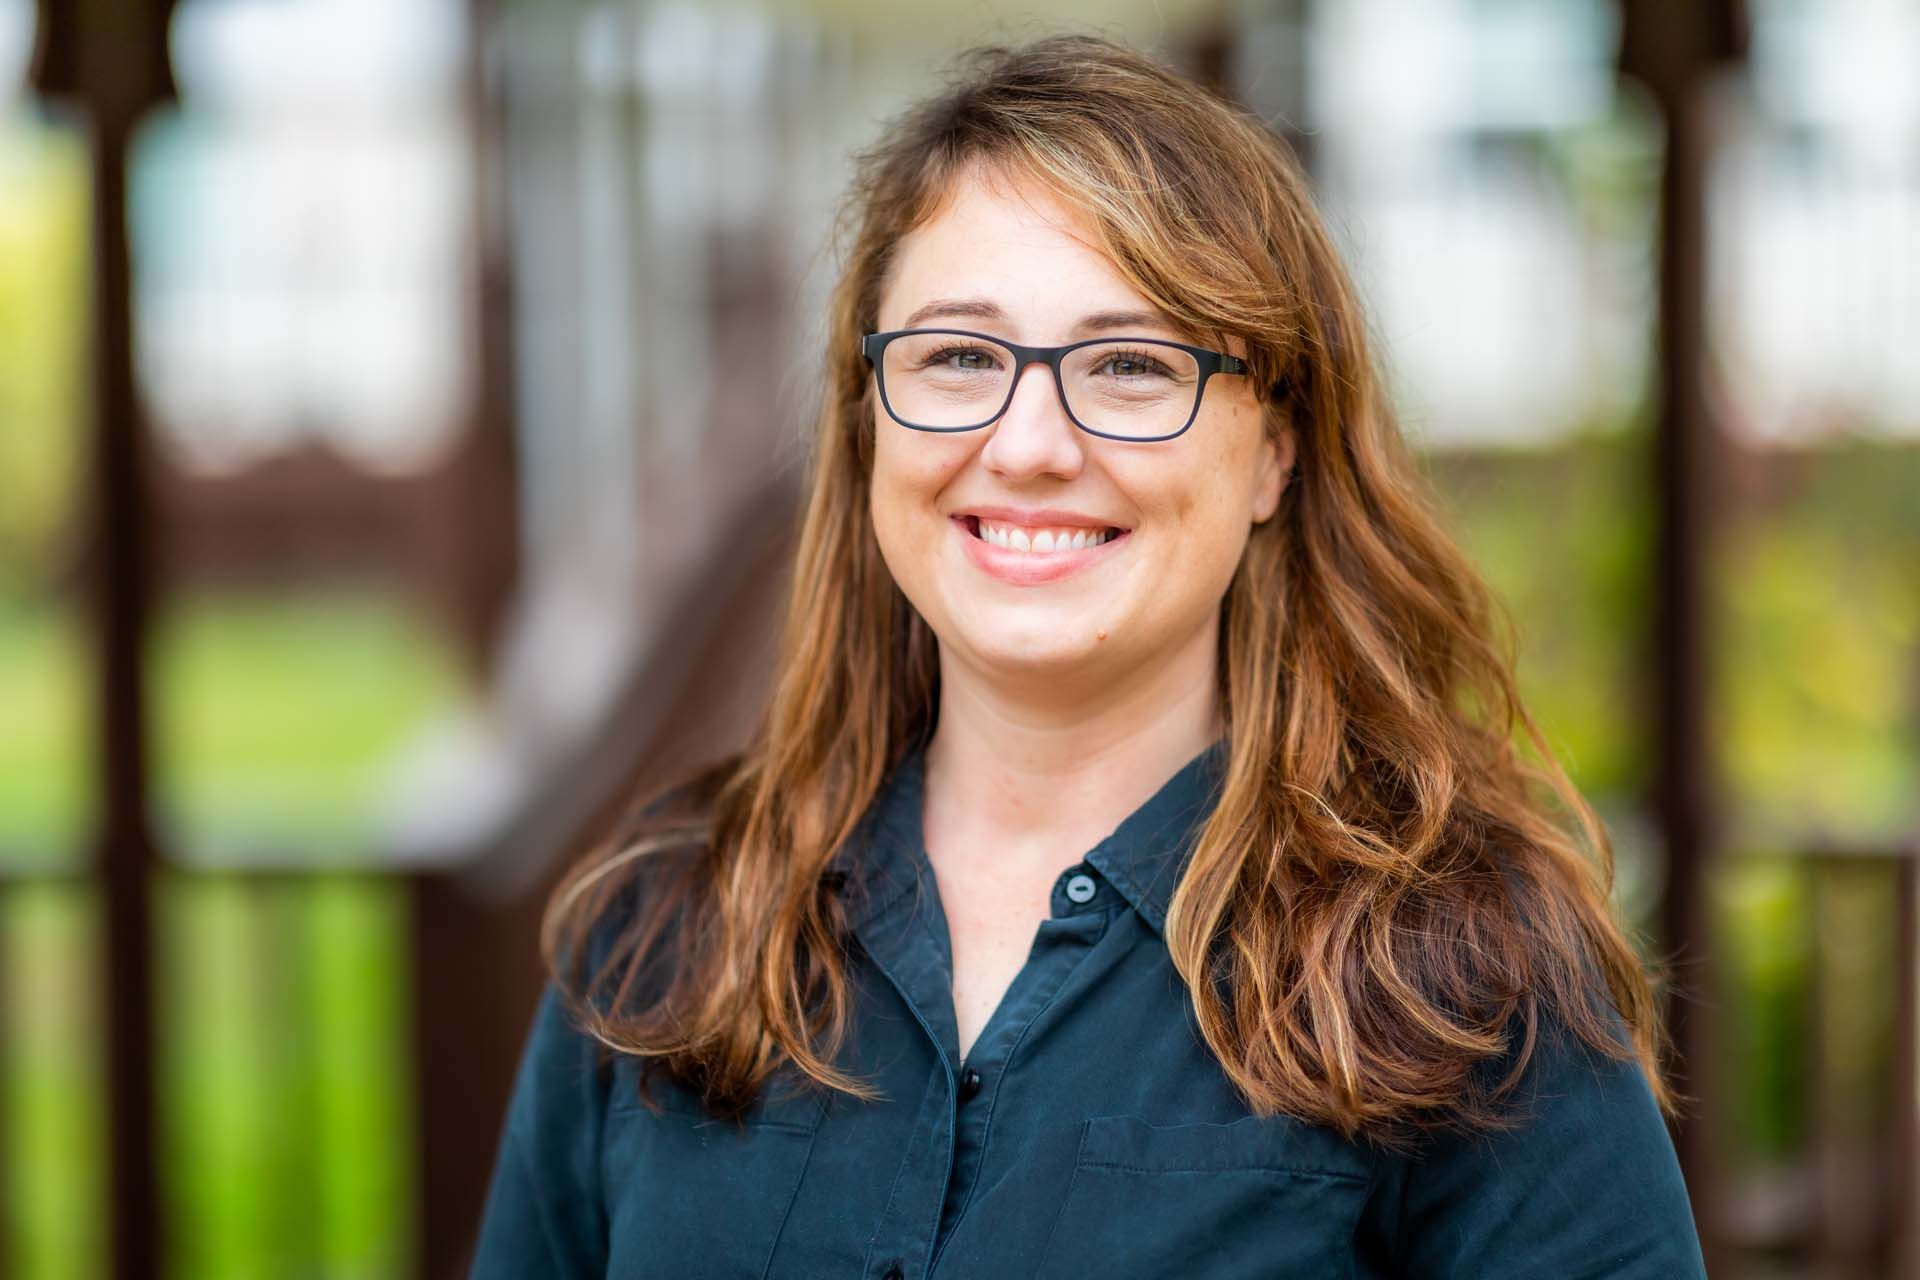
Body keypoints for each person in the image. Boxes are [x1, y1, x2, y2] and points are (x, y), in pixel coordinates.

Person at [470, 33, 1707, 1279]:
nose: (1028, 446)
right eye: (959, 356)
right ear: (867, 420)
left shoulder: (1467, 971)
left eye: (1130, 365)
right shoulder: (663, 930)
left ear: (1274, 450)